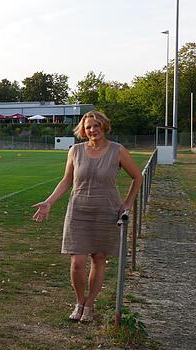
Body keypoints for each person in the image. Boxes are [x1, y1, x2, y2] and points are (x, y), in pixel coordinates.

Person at [32, 111, 142, 323]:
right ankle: (79, 302)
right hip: (79, 211)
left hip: (107, 211)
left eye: (97, 125)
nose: (93, 129)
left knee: (99, 259)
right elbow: (67, 181)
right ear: (83, 130)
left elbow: (137, 178)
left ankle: (90, 305)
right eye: (89, 126)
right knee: (77, 263)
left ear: (104, 126)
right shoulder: (75, 150)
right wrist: (49, 202)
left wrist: (127, 203)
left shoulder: (118, 151)